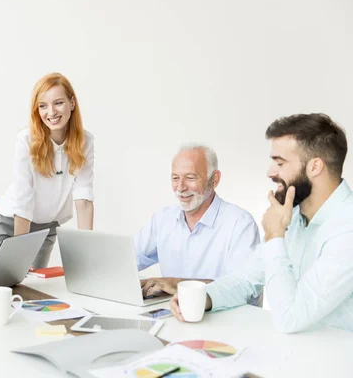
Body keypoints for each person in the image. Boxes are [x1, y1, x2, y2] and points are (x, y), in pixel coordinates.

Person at [170, 113, 353, 333]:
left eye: (280, 162)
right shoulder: (293, 216)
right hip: (291, 353)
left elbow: (290, 318)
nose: (270, 172)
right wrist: (203, 298)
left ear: (315, 167)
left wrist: (275, 235)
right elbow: (246, 278)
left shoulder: (346, 228)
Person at [0, 72, 94, 269]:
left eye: (58, 103)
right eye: (43, 106)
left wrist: (87, 254)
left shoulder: (85, 141)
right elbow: (24, 198)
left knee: (34, 294)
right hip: (10, 224)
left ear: (72, 103)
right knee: (0, 290)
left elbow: (83, 199)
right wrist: (19, 254)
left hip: (45, 228)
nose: (51, 112)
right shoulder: (26, 140)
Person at [137, 144, 259, 297]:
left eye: (190, 177)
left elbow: (244, 285)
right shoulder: (162, 219)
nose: (180, 187)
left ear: (214, 180)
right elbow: (127, 261)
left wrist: (180, 285)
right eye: (175, 178)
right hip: (172, 316)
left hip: (223, 319)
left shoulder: (240, 223)